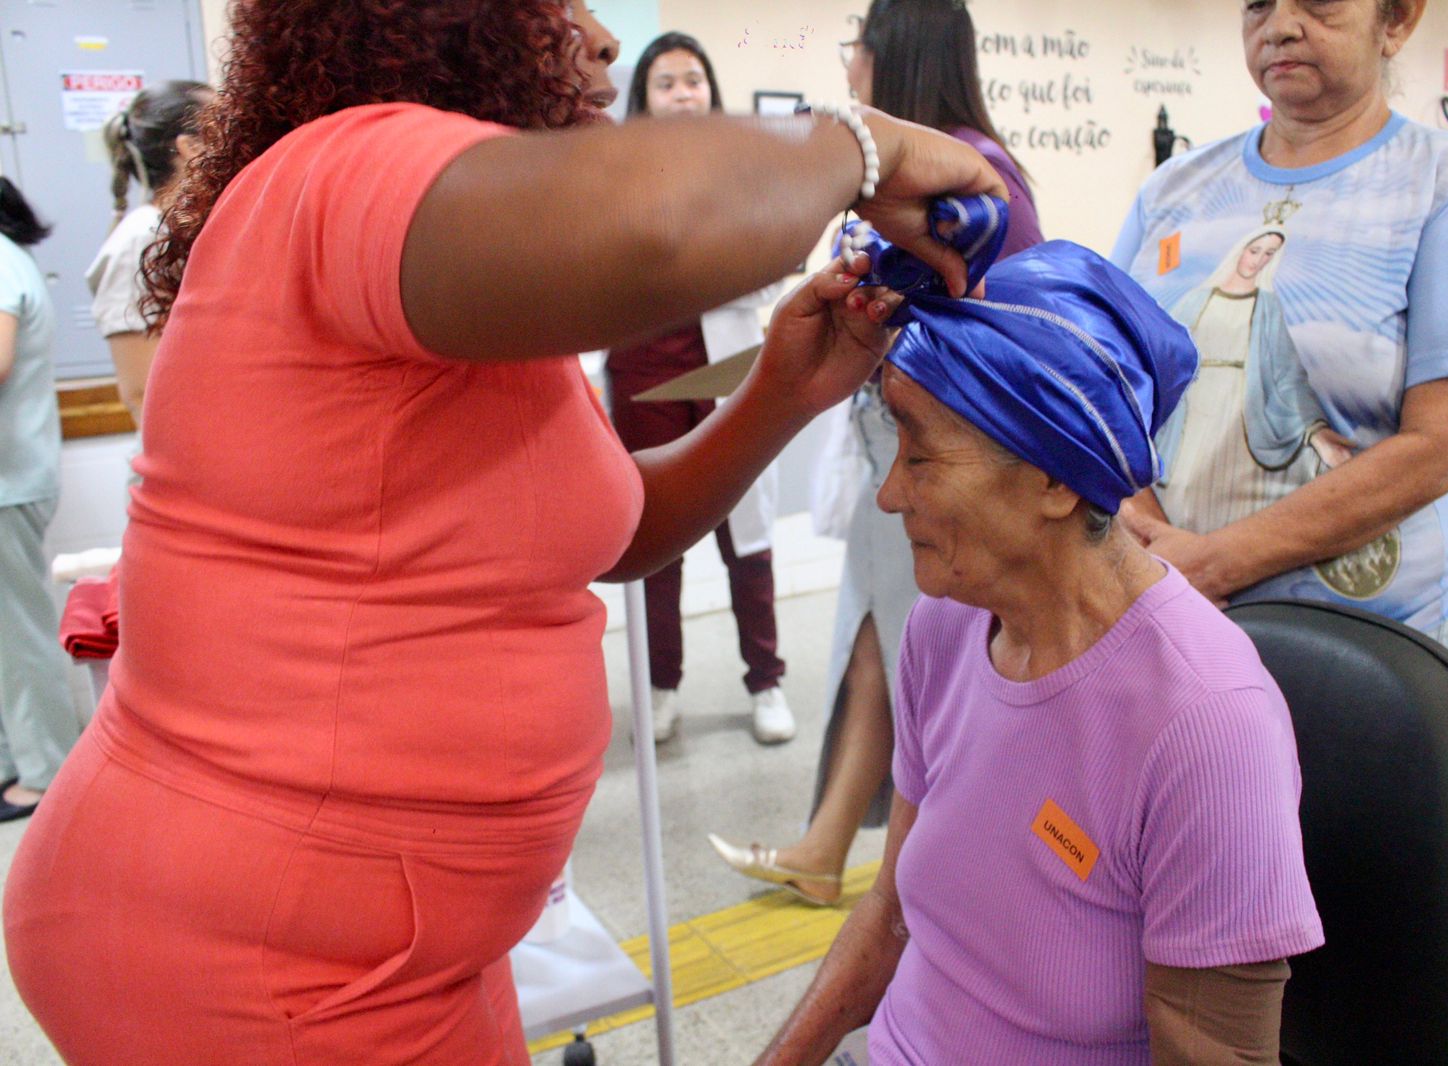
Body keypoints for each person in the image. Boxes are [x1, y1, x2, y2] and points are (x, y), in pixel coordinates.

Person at [1, 1, 1007, 1062]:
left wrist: (778, 395)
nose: (603, 39)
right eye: (560, 6)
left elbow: (615, 529)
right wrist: (867, 142)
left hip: (408, 950)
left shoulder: (459, 311)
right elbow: (656, 228)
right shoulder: (341, 166)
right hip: (247, 955)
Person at [756, 239, 1324, 1066]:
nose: (889, 493)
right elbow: (891, 912)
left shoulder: (1204, 724)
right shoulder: (947, 627)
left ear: (1057, 480)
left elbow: (1214, 1053)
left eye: (919, 455)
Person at [710, 0, 1044, 906]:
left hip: (940, 462)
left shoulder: (975, 177)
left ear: (896, 54)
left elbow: (1000, 329)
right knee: (874, 650)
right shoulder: (899, 180)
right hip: (887, 455)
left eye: (858, 43)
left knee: (923, 667)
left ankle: (922, 884)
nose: (848, 62)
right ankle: (830, 852)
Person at [1111, 0, 1448, 646]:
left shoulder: (1447, 185)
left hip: (1359, 646)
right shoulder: (1174, 189)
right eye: (1258, 4)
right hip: (1170, 612)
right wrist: (1151, 541)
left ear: (1396, 20)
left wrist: (1216, 561)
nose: (1280, 24)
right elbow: (1102, 386)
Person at [609, 32, 793, 745]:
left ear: (711, 92)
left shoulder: (744, 168)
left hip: (727, 367)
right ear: (644, 100)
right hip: (644, 374)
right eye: (667, 83)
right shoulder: (615, 175)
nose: (684, 93)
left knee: (748, 536)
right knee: (656, 539)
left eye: (694, 79)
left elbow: (775, 267)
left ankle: (767, 681)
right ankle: (660, 687)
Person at [0, 178, 81, 824]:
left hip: (8, 482)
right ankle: (18, 759)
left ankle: (48, 769)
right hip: (12, 478)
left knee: (18, 633)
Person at [87, 80, 213, 427]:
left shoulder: (194, 229)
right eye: (226, 128)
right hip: (183, 462)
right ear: (190, 147)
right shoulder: (142, 238)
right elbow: (141, 392)